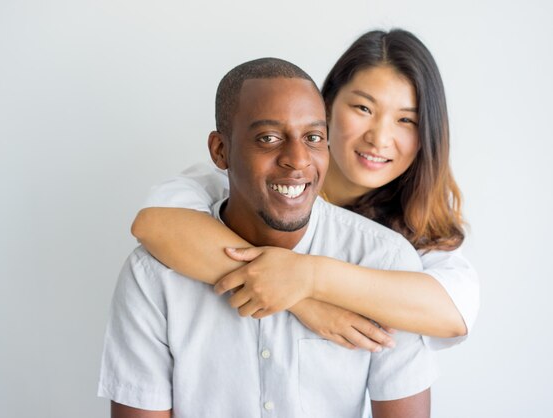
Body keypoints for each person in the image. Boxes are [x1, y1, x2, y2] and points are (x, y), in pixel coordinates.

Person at [99, 58, 437, 418]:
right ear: (220, 151)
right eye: (269, 138)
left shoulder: (383, 260)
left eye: (313, 137)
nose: (296, 159)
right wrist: (306, 303)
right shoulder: (153, 276)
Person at [132, 29, 480, 353]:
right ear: (324, 106)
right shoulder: (246, 179)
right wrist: (304, 302)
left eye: (406, 120)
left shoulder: (418, 233)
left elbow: (454, 313)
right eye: (363, 108)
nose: (379, 137)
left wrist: (310, 278)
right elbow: (154, 225)